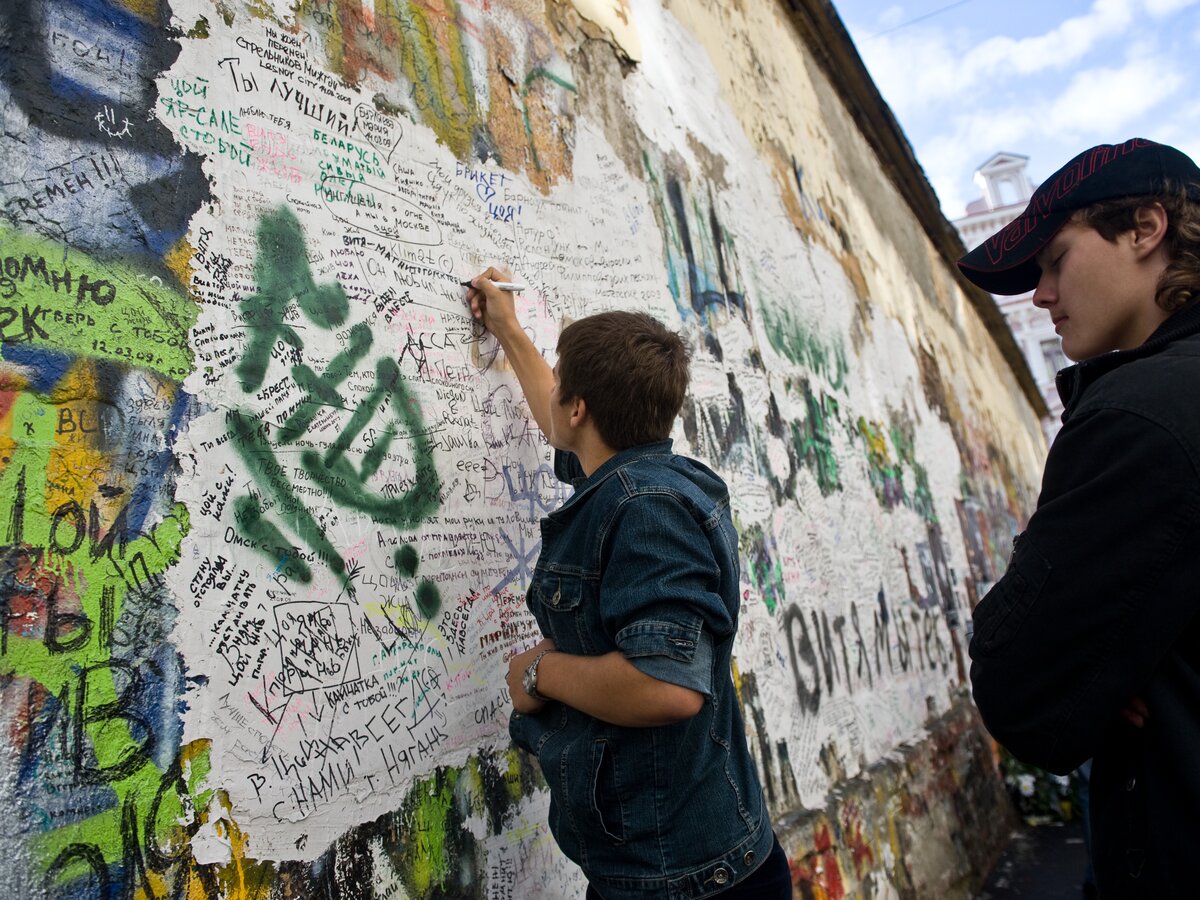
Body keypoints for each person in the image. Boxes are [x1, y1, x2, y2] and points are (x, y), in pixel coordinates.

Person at [466, 268, 790, 899]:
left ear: (581, 407)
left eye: (564, 386)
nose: (554, 394)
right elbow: (557, 420)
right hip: (677, 866)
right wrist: (506, 328)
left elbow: (667, 686)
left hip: (683, 881)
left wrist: (540, 672)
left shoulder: (646, 510)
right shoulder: (638, 476)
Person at [959, 138, 1200, 897]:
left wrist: (1110, 667)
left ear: (1144, 228)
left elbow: (1021, 687)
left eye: (1056, 260)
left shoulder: (1140, 417)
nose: (1039, 295)